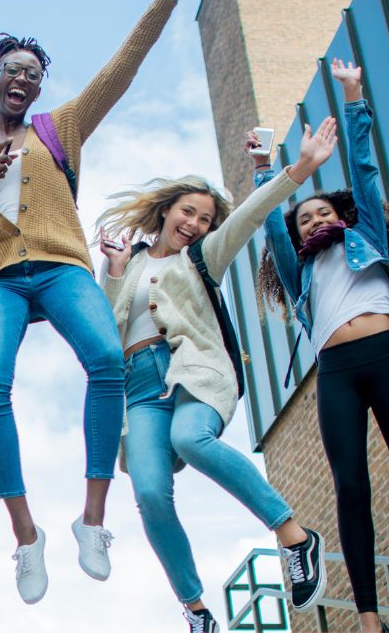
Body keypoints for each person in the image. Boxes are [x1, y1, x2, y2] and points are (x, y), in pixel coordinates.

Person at [0, 0, 195, 604]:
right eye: (13, 71)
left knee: (107, 362)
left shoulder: (62, 128)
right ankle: (26, 536)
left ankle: (92, 520)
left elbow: (123, 66)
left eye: (34, 73)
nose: (23, 80)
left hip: (61, 268)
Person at [254, 61, 389, 633]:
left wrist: (352, 96)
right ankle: (371, 621)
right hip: (337, 372)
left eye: (323, 212)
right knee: (351, 488)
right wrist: (264, 170)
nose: (313, 221)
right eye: (305, 218)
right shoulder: (299, 270)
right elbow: (272, 225)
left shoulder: (369, 239)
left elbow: (364, 169)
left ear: (343, 216)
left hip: (388, 359)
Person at [95, 120, 334, 633]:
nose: (196, 222)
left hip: (193, 370)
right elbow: (106, 327)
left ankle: (294, 535)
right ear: (166, 211)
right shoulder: (128, 265)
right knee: (151, 492)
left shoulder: (202, 257)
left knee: (191, 436)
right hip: (137, 389)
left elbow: (249, 215)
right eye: (188, 211)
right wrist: (114, 270)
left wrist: (298, 170)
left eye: (204, 218)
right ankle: (196, 609)